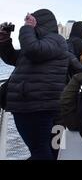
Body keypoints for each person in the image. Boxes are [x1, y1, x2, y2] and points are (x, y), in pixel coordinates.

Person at [0, 9, 69, 160]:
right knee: (48, 151)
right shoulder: (43, 44)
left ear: (39, 23)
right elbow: (14, 58)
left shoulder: (55, 40)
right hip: (37, 105)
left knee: (41, 152)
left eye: (31, 21)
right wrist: (4, 41)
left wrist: (26, 28)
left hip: (36, 106)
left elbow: (32, 50)